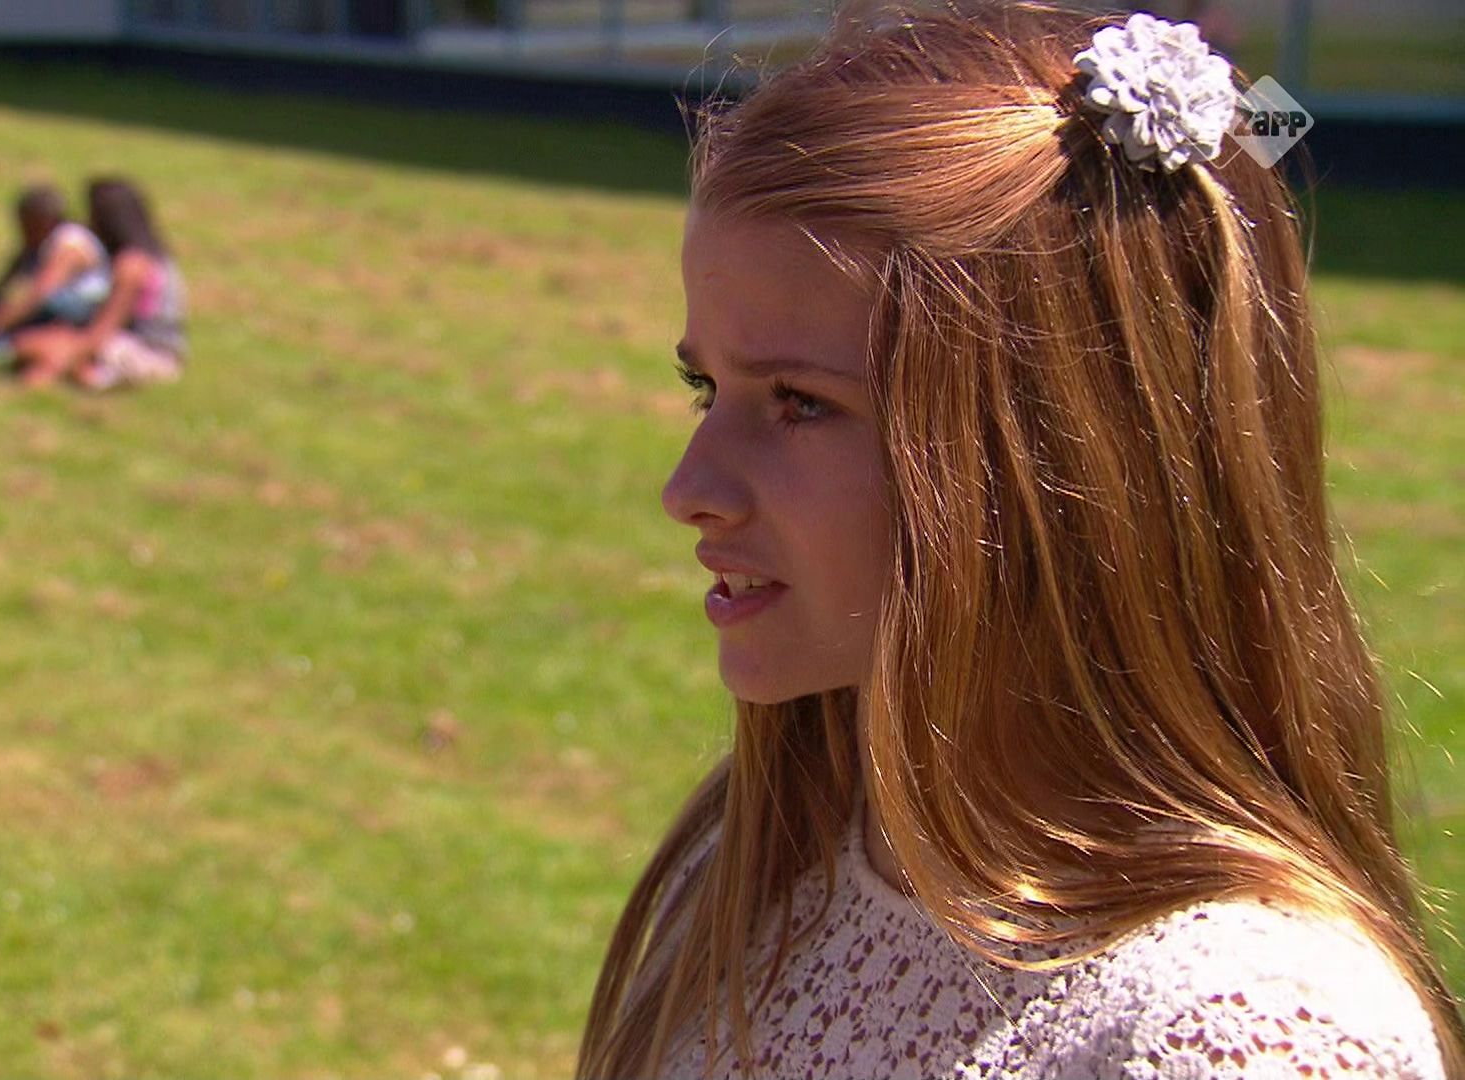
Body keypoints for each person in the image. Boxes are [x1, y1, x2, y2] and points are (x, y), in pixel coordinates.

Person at [574, 3, 1464, 1079]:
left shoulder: (1245, 1031)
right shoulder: (757, 867)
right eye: (704, 387)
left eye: (799, 403)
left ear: (1066, 458)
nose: (689, 491)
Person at [13, 178, 187, 391]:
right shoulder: (158, 258)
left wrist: (63, 349)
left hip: (148, 355)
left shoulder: (131, 266)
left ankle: (74, 377)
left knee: (33, 345)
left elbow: (99, 335)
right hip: (148, 348)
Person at [0, 184, 112, 366]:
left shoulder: (70, 245)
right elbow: (7, 280)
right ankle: (1, 340)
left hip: (77, 309)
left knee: (50, 301)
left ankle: (10, 343)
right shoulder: (39, 241)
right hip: (43, 307)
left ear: (42, 220)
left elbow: (38, 296)